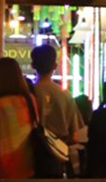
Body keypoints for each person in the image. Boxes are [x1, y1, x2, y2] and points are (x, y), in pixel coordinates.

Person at [30, 44, 81, 175]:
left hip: (32, 156)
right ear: (55, 66)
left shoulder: (29, 94)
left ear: (33, 65)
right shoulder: (66, 95)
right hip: (58, 156)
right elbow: (74, 135)